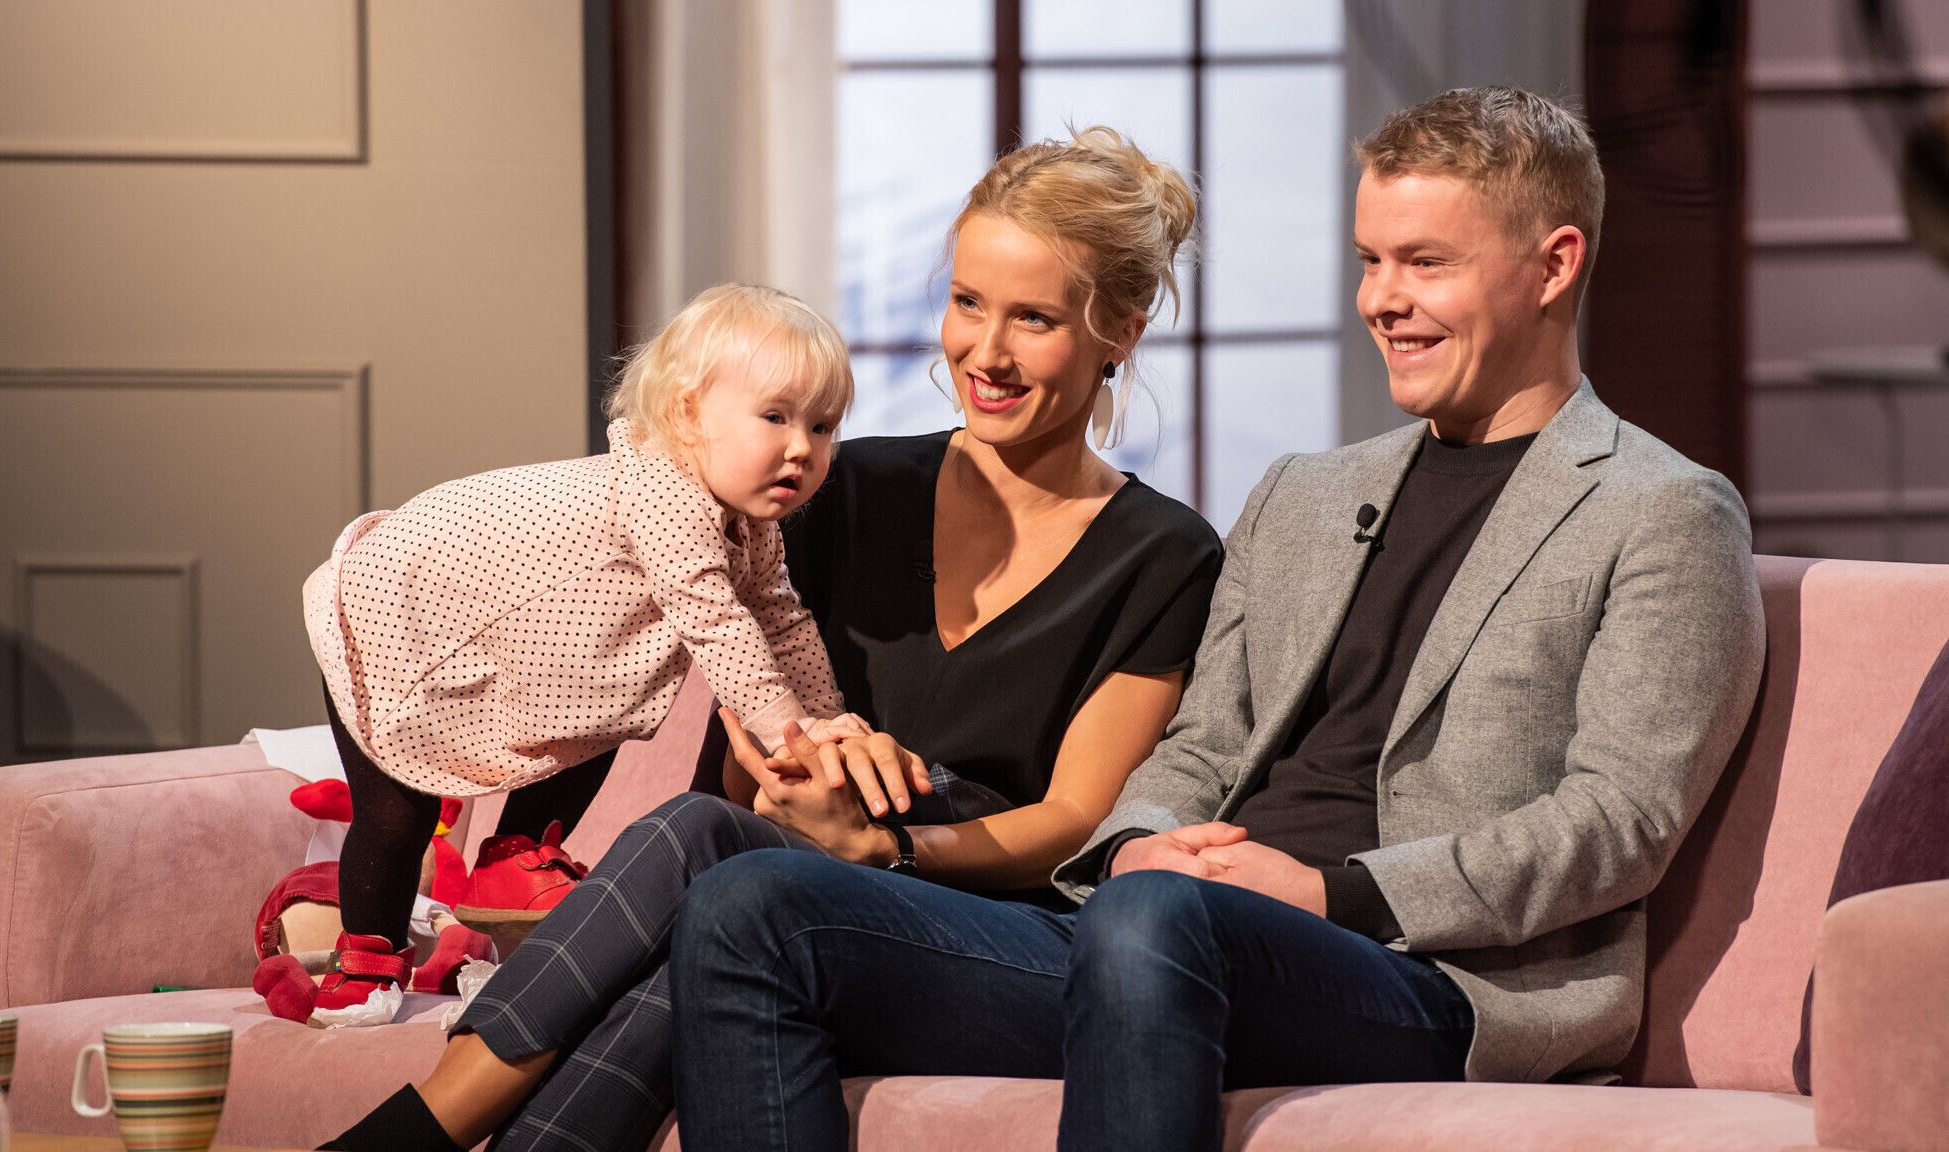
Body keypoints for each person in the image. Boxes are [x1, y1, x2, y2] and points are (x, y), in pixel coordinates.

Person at [668, 86, 1768, 1152]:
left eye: (1425, 263)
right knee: (749, 903)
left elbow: (1617, 822)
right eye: (1370, 261)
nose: (1381, 300)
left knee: (1151, 921)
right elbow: (1201, 745)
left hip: (1433, 980)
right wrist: (1139, 846)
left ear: (1555, 265)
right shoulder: (1303, 494)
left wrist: (1329, 892)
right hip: (1169, 938)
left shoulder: (1662, 511)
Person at [318, 125, 1223, 1152]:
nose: (985, 351)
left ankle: (410, 1135)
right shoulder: (840, 488)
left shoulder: (1164, 553)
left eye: (1035, 319)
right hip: (788, 883)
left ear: (1119, 333)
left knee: (707, 856)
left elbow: (1075, 822)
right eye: (969, 302)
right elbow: (742, 770)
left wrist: (883, 844)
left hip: (994, 924)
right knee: (716, 896)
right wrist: (811, 786)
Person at [262, 283, 872, 1024]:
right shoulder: (666, 488)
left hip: (516, 645)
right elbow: (716, 622)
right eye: (775, 418)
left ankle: (513, 854)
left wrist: (826, 724)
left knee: (600, 719)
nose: (803, 447)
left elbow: (782, 619)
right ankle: (366, 960)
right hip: (400, 618)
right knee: (396, 817)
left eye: (823, 426)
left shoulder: (751, 527)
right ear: (688, 414)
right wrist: (787, 732)